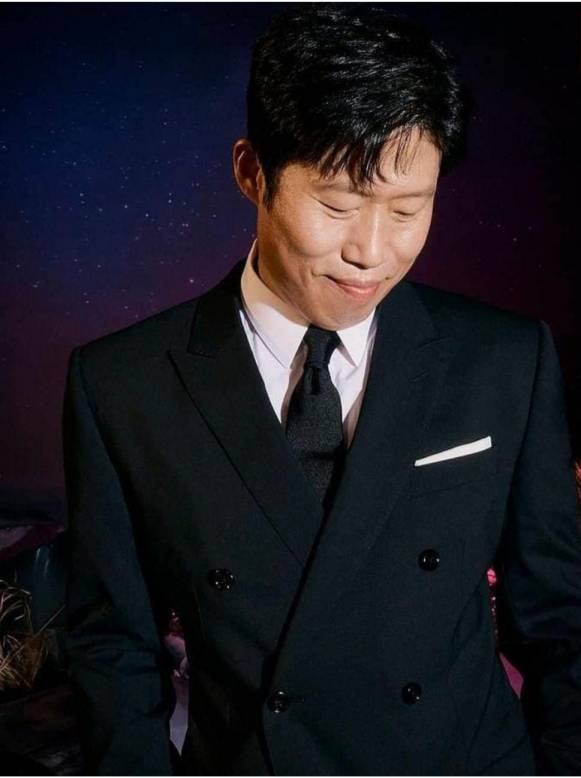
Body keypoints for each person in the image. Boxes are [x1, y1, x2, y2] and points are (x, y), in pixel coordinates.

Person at [61, 4, 581, 775]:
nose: (370, 251)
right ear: (252, 173)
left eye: (407, 209)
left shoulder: (506, 359)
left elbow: (559, 619)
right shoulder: (121, 384)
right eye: (337, 205)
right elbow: (112, 649)